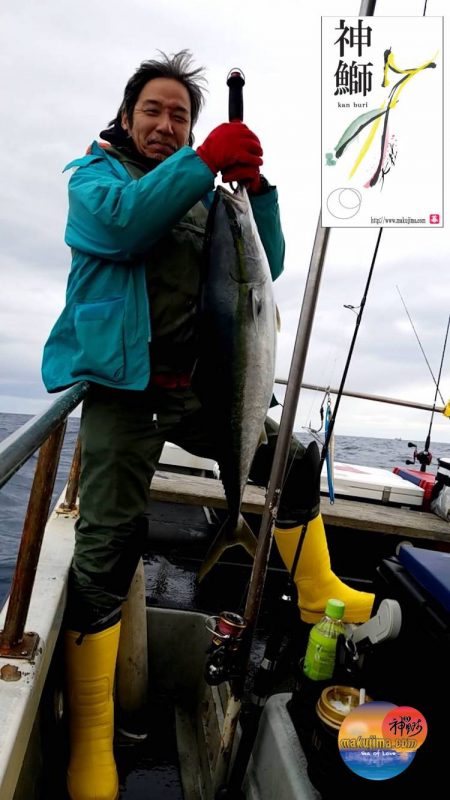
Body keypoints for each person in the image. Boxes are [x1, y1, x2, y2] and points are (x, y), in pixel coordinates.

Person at [42, 51, 373, 800]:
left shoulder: (204, 197)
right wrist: (202, 164)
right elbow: (125, 229)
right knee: (108, 546)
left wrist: (258, 193)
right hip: (124, 395)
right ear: (127, 118)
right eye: (153, 111)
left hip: (203, 392)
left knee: (288, 461)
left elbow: (269, 266)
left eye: (180, 116)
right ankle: (93, 740)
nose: (166, 125)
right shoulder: (95, 181)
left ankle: (320, 592)